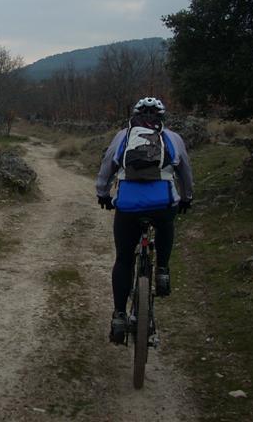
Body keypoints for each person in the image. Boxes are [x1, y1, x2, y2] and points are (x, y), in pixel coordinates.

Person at [95, 97, 194, 344]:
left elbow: (108, 165)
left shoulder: (123, 136)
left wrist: (103, 193)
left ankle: (119, 317)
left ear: (135, 115)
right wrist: (186, 197)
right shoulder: (172, 137)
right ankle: (162, 271)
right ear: (162, 117)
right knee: (166, 224)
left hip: (128, 206)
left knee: (124, 259)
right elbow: (185, 171)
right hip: (163, 203)